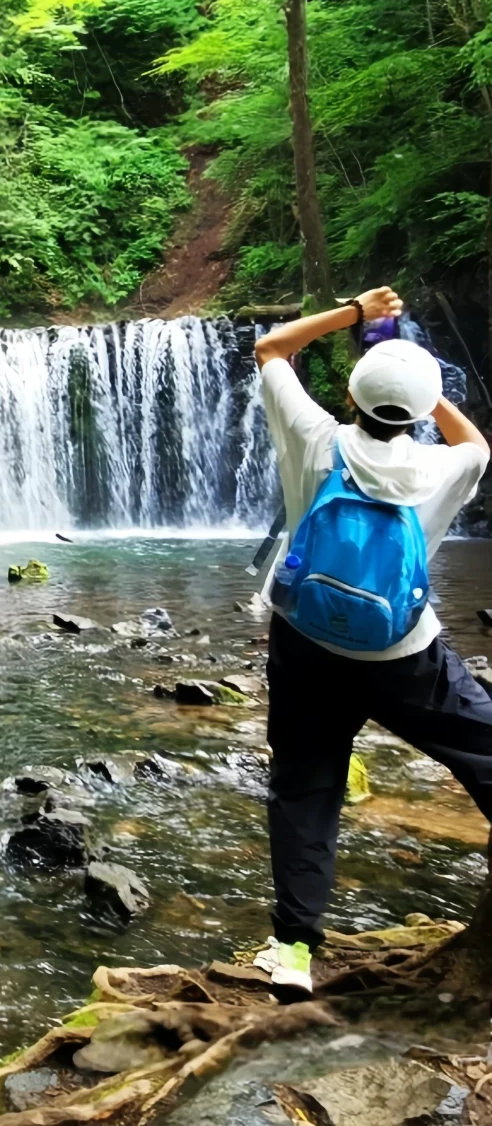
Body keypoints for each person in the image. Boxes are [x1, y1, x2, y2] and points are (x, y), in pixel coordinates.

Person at [250, 286, 491, 999]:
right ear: (418, 415)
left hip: (304, 643)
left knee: (305, 788)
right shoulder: (445, 467)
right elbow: (475, 443)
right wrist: (427, 389)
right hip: (404, 656)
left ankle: (292, 949)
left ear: (349, 395)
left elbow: (270, 349)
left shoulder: (317, 438)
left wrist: (357, 313)